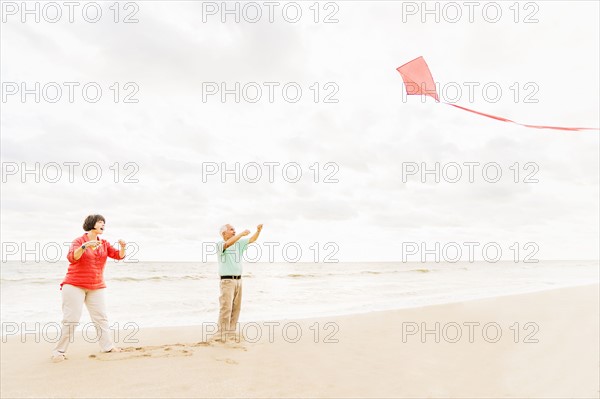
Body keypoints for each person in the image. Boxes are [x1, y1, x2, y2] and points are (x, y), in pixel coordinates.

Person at [51, 214, 127, 362]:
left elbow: (118, 256)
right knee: (71, 319)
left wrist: (123, 247)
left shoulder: (104, 243)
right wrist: (85, 246)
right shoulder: (79, 241)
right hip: (74, 285)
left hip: (96, 285)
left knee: (101, 317)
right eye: (100, 222)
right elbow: (72, 257)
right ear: (92, 224)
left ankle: (107, 346)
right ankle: (59, 351)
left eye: (104, 223)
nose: (103, 225)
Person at [215, 223, 263, 340]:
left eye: (234, 230)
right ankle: (221, 333)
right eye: (231, 230)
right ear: (224, 233)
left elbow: (252, 239)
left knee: (236, 308)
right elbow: (228, 244)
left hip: (238, 280)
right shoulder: (220, 244)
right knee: (226, 308)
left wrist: (258, 231)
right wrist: (241, 234)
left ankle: (230, 332)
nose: (234, 231)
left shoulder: (239, 243)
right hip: (227, 280)